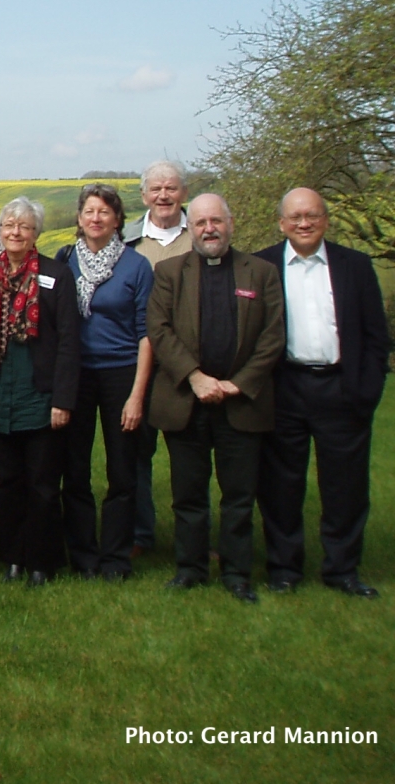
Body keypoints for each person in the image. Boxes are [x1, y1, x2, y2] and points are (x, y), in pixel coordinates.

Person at [148, 193, 285, 603]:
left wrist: (239, 383)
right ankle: (190, 568)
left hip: (241, 401)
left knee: (239, 496)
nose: (209, 229)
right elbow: (159, 329)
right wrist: (195, 377)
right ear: (190, 228)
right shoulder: (170, 272)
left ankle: (237, 572)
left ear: (231, 223)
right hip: (186, 400)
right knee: (188, 494)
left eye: (216, 221)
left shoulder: (261, 272)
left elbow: (273, 335)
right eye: (201, 222)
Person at [256, 188, 389, 598]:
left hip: (341, 388)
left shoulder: (355, 265)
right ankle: (284, 569)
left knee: (345, 486)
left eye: (312, 215)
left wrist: (366, 389)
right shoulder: (261, 265)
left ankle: (342, 570)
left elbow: (376, 335)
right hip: (285, 387)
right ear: (281, 223)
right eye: (295, 217)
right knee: (281, 485)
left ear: (325, 220)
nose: (304, 223)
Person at [54, 184, 154, 580]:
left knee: (122, 470)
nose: (96, 218)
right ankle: (82, 554)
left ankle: (115, 556)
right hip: (76, 374)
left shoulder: (136, 266)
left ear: (117, 220)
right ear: (79, 219)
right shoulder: (65, 261)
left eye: (105, 212)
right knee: (74, 468)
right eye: (89, 211)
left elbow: (147, 334)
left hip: (121, 373)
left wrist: (137, 396)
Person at [0, 199, 79, 587]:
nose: (15, 232)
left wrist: (63, 400)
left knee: (42, 486)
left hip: (41, 397)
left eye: (24, 226)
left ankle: (42, 561)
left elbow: (68, 342)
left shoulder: (56, 275)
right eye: (8, 225)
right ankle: (13, 558)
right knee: (8, 484)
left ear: (36, 233)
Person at [124, 159, 193, 557]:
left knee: (191, 458)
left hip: (192, 365)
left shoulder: (202, 234)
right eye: (156, 189)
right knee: (136, 455)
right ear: (144, 195)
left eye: (171, 188)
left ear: (184, 192)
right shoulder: (128, 242)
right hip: (141, 366)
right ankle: (139, 534)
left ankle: (194, 538)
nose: (164, 195)